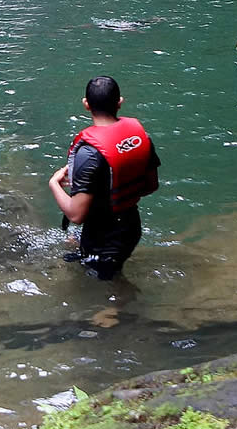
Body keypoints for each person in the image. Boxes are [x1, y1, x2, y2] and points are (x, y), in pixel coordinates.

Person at [48, 76, 160, 281]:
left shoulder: (89, 153)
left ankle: (122, 309)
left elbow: (76, 215)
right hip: (130, 225)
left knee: (107, 291)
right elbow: (151, 185)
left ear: (86, 104)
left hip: (104, 237)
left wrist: (54, 183)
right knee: (104, 270)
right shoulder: (138, 137)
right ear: (120, 102)